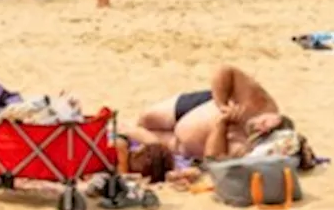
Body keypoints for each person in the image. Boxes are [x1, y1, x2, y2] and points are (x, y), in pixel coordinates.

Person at [123, 65, 314, 168]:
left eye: (262, 132)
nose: (259, 126)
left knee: (143, 137)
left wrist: (222, 125)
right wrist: (222, 105)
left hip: (185, 145)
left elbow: (214, 160)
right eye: (263, 122)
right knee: (146, 118)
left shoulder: (249, 150)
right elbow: (226, 71)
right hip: (200, 107)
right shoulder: (260, 103)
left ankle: (123, 129)